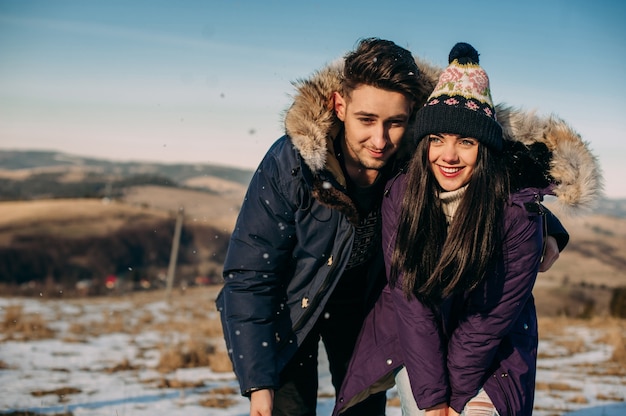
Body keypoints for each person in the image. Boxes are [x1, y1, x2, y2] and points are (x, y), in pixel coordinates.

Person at [216, 38, 568, 416]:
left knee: (362, 408)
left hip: (368, 308)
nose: (380, 140)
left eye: (395, 123)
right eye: (366, 120)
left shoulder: (416, 155)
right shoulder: (292, 164)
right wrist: (258, 383)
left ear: (412, 115)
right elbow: (250, 273)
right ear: (339, 106)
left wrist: (546, 221)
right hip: (293, 305)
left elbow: (491, 170)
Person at [332, 43, 602, 416]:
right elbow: (411, 301)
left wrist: (454, 401)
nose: (449, 155)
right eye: (438, 139)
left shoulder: (517, 218)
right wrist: (433, 400)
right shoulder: (404, 196)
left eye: (466, 142)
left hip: (494, 349)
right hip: (418, 338)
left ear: (486, 149)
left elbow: (486, 322)